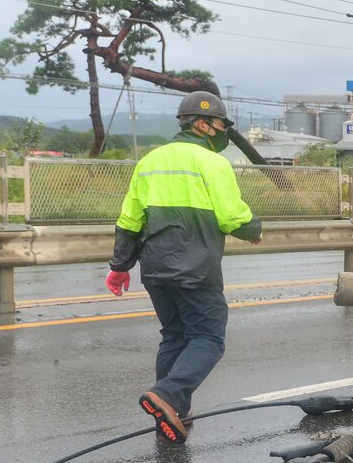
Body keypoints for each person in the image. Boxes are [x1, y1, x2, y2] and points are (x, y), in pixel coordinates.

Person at [106, 91, 262, 443]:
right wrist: (253, 229)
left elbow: (130, 219)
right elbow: (230, 215)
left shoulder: (150, 161)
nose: (222, 130)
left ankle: (177, 411)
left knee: (175, 336)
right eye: (220, 124)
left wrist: (119, 266)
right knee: (208, 338)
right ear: (202, 124)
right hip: (197, 269)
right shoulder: (213, 163)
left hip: (156, 269)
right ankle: (168, 396)